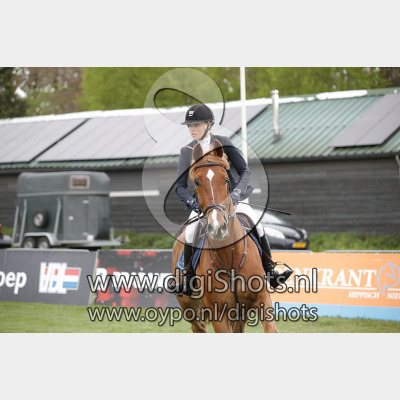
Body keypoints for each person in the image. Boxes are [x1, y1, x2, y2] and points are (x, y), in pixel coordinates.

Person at [169, 104, 292, 295]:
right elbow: (179, 186)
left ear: (209, 124)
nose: (192, 129)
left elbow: (244, 171)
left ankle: (270, 271)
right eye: (190, 126)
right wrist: (192, 202)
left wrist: (237, 193)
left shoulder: (224, 143)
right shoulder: (187, 151)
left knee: (257, 225)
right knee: (191, 232)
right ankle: (188, 278)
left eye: (197, 125)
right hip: (204, 204)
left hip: (231, 199)